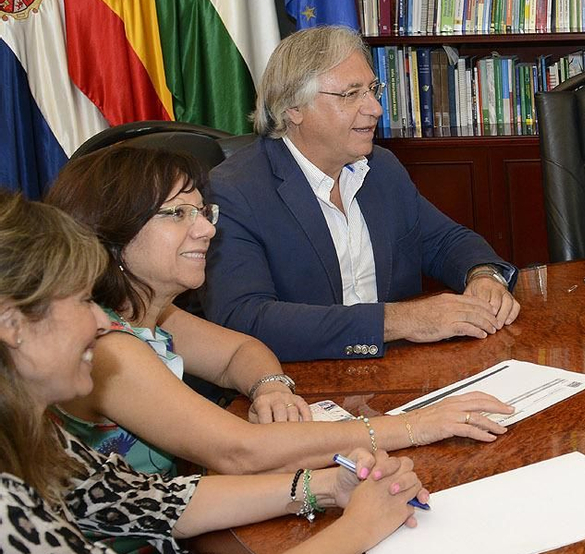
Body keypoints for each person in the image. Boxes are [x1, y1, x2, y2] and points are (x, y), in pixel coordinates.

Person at [0, 189, 424, 554]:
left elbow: (147, 501)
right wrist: (357, 529)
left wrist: (326, 487)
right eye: (81, 301)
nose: (103, 324)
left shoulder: (26, 429)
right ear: (13, 325)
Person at [43, 145, 510, 519]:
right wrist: (417, 425)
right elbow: (241, 451)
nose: (205, 229)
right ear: (111, 235)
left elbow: (238, 352)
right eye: (177, 214)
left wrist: (268, 384)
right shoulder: (108, 347)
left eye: (201, 211)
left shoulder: (148, 313)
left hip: (186, 513)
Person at [203, 26, 521, 360]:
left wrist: (483, 275)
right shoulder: (235, 190)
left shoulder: (380, 168)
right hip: (296, 385)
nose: (375, 109)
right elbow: (245, 319)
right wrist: (397, 321)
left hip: (397, 369)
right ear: (294, 106)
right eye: (351, 94)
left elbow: (445, 241)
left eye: (372, 90)